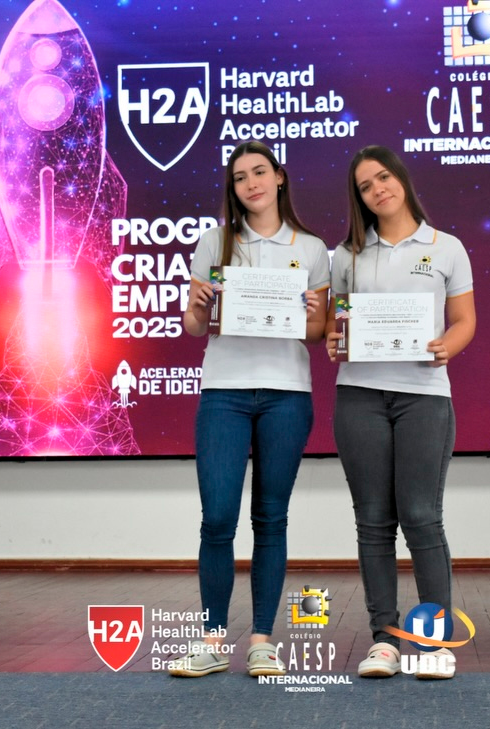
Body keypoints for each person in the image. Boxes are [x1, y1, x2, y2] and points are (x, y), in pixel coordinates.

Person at [168, 141, 330, 678]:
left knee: (270, 518)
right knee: (217, 518)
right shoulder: (214, 242)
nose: (251, 183)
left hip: (287, 393)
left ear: (279, 177)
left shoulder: (311, 248)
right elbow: (195, 327)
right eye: (240, 177)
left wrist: (312, 313)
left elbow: (318, 333)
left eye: (259, 172)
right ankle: (213, 640)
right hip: (225, 392)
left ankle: (262, 640)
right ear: (232, 189)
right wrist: (197, 308)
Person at [324, 145, 476, 679]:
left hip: (424, 397)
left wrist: (445, 346)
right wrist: (335, 341)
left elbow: (464, 321)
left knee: (421, 516)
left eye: (383, 178)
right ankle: (385, 641)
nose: (377, 190)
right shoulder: (346, 256)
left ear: (402, 180)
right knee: (373, 522)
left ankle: (434, 644)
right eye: (365, 186)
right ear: (359, 198)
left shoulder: (446, 247)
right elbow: (336, 325)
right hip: (359, 395)